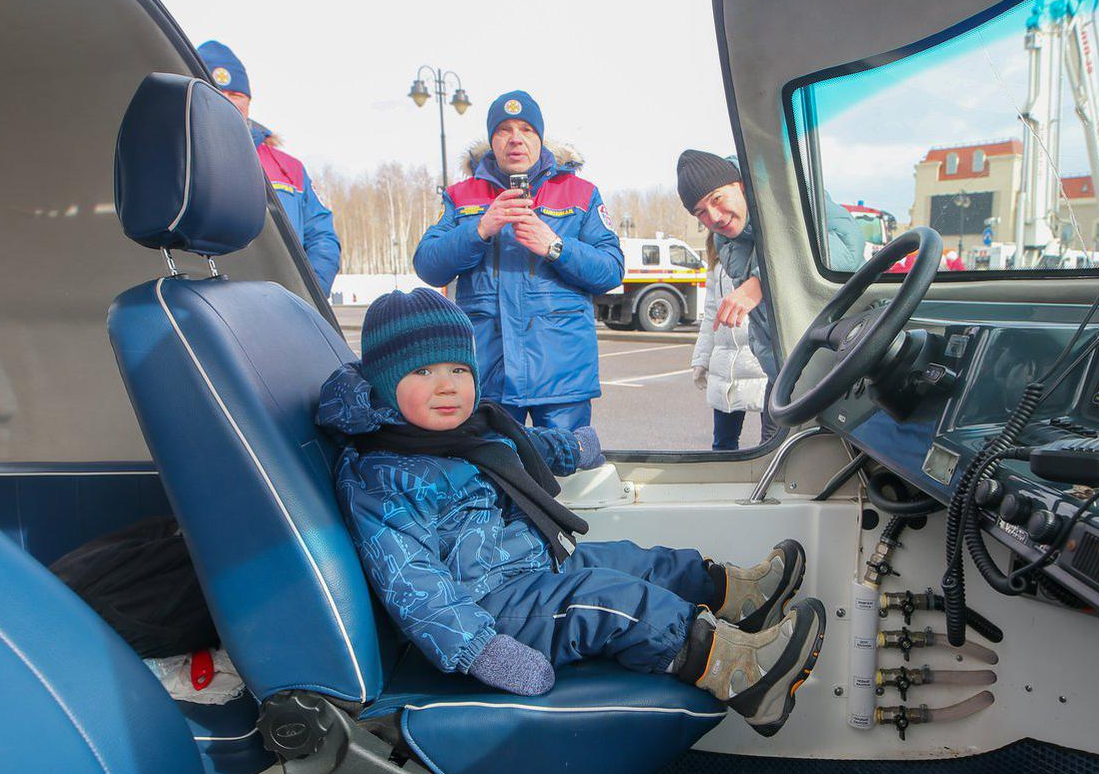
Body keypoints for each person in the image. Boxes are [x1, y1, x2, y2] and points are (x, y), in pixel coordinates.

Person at [315, 288, 825, 736]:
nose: (447, 385)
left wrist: (573, 448)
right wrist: (482, 651)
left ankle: (739, 596)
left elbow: (520, 447)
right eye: (423, 371)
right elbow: (414, 585)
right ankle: (740, 674)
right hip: (486, 606)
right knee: (613, 601)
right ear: (385, 381)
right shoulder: (382, 475)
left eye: (459, 369)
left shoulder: (464, 430)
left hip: (522, 565)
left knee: (632, 560)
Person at [413, 91, 623, 432]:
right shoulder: (461, 195)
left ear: (539, 137)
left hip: (561, 377)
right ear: (492, 139)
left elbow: (611, 269)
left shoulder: (580, 192)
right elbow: (428, 265)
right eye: (503, 130)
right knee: (492, 465)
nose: (515, 139)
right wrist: (480, 229)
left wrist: (555, 246)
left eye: (526, 129)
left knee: (563, 464)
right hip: (486, 376)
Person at [676, 150, 865, 440]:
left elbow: (845, 249)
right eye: (700, 212)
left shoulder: (786, 195)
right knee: (775, 452)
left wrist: (762, 282)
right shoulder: (726, 241)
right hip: (784, 373)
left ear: (740, 185)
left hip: (835, 367)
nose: (713, 217)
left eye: (717, 198)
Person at [197, 40, 342, 297]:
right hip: (211, 302)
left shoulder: (289, 168)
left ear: (248, 101)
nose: (228, 102)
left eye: (236, 95)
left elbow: (322, 237)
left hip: (282, 304)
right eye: (217, 93)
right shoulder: (185, 163)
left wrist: (310, 295)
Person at [691, 239, 767, 450]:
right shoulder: (717, 262)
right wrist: (701, 360)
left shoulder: (762, 253)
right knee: (723, 446)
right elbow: (711, 315)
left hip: (762, 362)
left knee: (772, 444)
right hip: (726, 367)